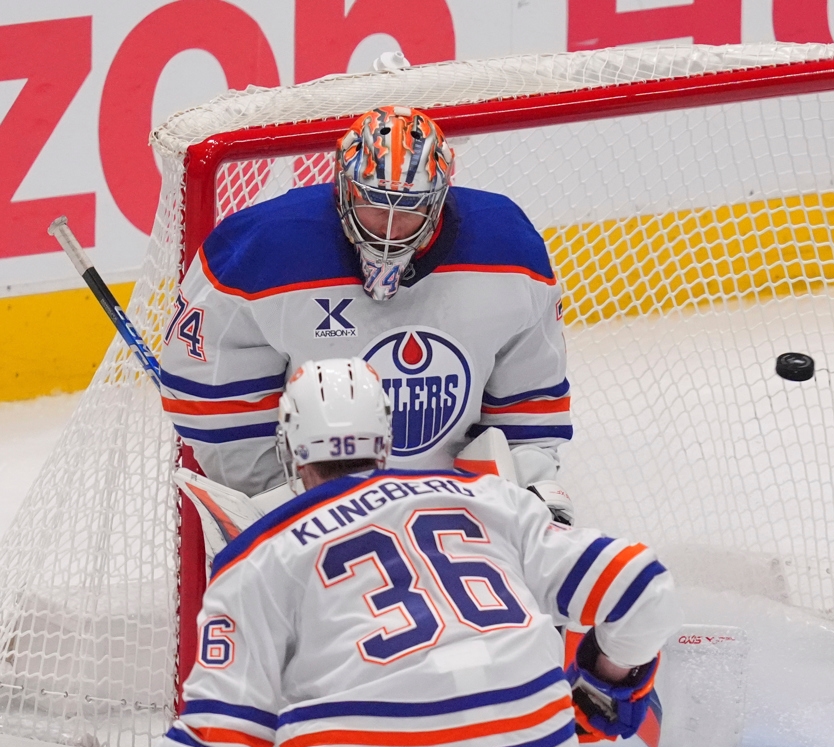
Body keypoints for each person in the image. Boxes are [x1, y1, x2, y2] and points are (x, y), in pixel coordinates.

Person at [18, 358, 681, 747]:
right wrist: (609, 680)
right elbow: (643, 587)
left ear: (289, 449)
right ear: (385, 441)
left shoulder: (258, 560)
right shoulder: (488, 498)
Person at [160, 105, 575, 525]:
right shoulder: (262, 252)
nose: (390, 227)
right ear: (342, 186)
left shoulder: (509, 250)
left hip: (458, 515)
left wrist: (528, 484)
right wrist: (269, 498)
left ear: (441, 197)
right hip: (313, 512)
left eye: (409, 207)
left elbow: (529, 401)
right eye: (375, 204)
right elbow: (208, 390)